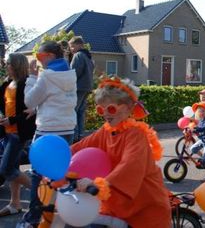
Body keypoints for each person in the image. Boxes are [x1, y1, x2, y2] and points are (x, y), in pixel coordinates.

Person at [72, 76, 170, 228]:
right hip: (117, 206)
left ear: (127, 108)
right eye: (100, 109)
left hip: (145, 209)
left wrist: (99, 184)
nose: (105, 114)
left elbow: (130, 165)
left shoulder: (135, 135)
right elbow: (80, 147)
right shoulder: (105, 131)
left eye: (110, 108)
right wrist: (56, 159)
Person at [18, 41, 77, 228]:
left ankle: (33, 218)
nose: (38, 61)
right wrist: (39, 109)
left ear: (50, 56)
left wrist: (32, 77)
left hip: (47, 131)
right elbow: (59, 101)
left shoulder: (46, 76)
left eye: (40, 57)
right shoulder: (70, 74)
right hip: (67, 129)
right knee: (59, 174)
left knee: (37, 175)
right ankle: (65, 213)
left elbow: (29, 100)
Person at [0, 54, 36, 217]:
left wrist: (11, 120)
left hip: (18, 133)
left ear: (16, 65)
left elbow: (30, 114)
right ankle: (15, 204)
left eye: (8, 63)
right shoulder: (8, 83)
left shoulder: (25, 84)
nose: (6, 65)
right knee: (13, 168)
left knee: (6, 169)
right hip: (7, 132)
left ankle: (42, 192)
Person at [69, 36, 94, 142]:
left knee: (73, 111)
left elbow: (74, 72)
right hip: (87, 87)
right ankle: (80, 134)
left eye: (72, 46)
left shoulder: (78, 55)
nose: (71, 49)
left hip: (78, 87)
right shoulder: (88, 56)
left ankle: (74, 136)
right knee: (81, 111)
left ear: (79, 45)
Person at [190, 101, 205, 182]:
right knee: (193, 149)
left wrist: (196, 129)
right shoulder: (201, 120)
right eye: (200, 111)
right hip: (203, 140)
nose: (201, 113)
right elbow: (198, 127)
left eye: (203, 111)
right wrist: (190, 128)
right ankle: (204, 158)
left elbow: (203, 128)